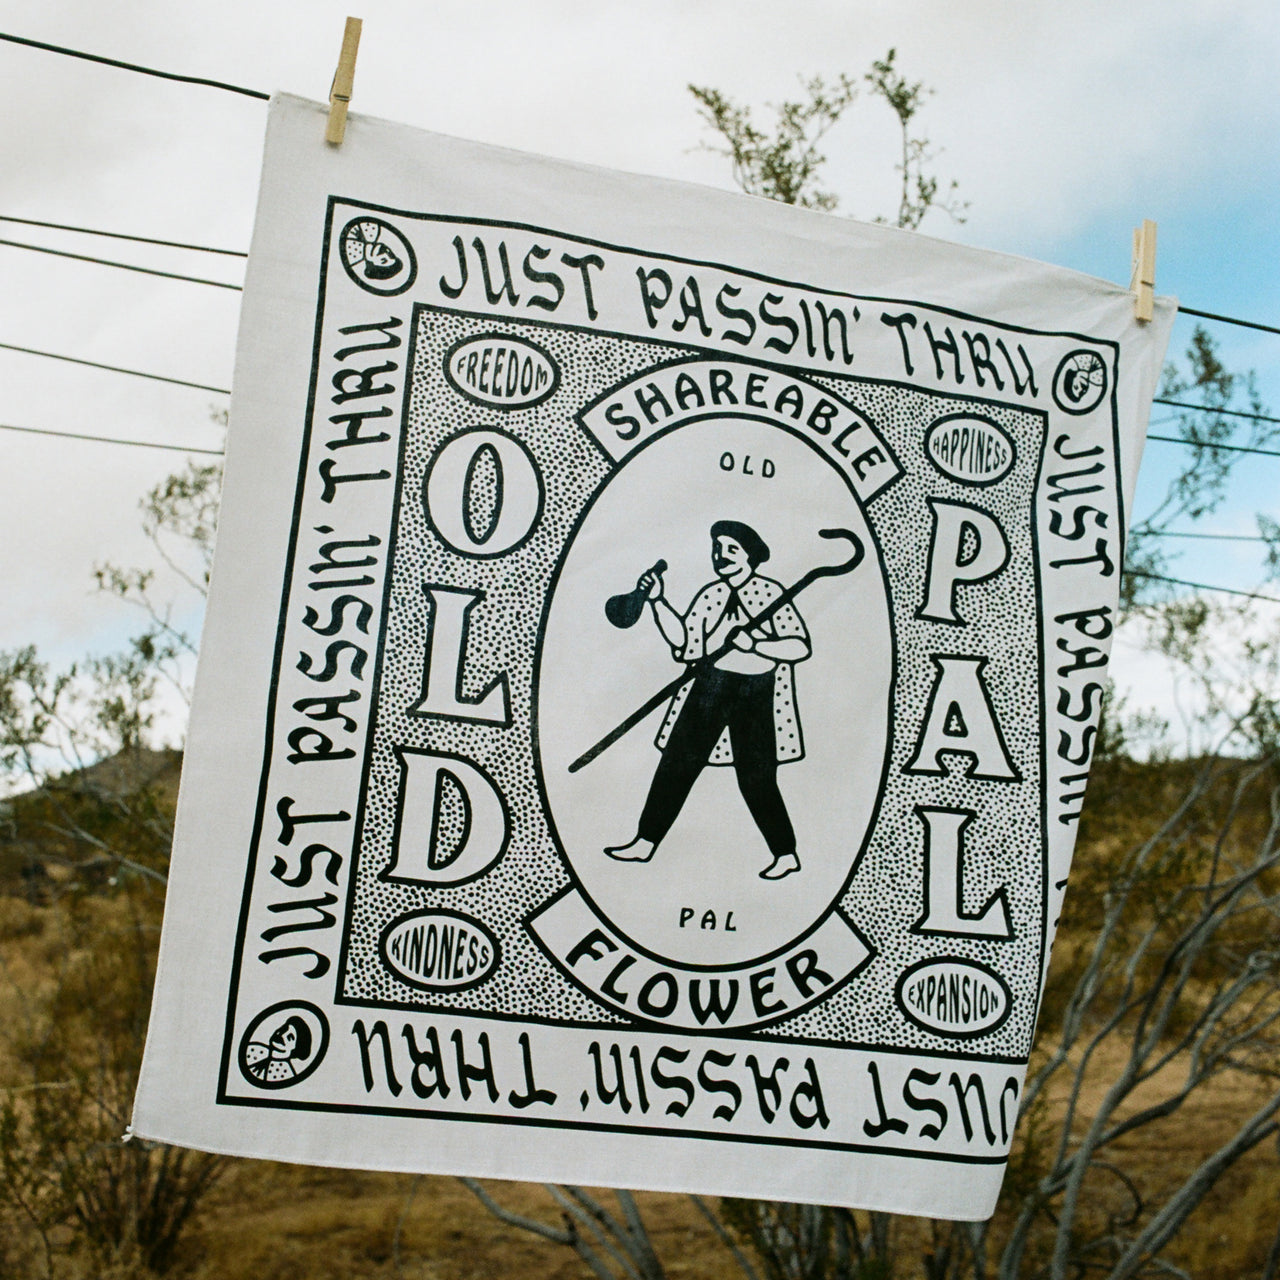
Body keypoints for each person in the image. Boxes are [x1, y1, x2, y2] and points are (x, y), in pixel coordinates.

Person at [605, 520, 810, 879]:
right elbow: (685, 645)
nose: (721, 556)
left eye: (731, 550)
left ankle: (785, 854)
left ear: (750, 556)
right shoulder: (711, 595)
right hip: (709, 687)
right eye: (717, 549)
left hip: (754, 691)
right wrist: (658, 603)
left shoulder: (770, 593)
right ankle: (645, 842)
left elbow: (799, 645)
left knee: (757, 777)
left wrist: (757, 644)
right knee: (676, 765)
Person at [244, 1014, 313, 1084]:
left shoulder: (286, 1072)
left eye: (290, 1037)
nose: (282, 1035)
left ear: (296, 1048)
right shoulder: (255, 1048)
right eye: (283, 1029)